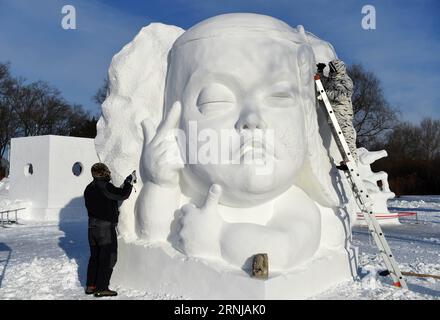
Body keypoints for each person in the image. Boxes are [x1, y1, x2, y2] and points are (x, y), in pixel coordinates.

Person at [84, 163, 135, 297]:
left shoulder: (89, 188)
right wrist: (128, 182)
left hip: (91, 227)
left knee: (95, 257)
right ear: (103, 173)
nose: (109, 173)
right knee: (108, 257)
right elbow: (122, 195)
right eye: (107, 171)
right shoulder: (104, 186)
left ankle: (91, 285)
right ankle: (101, 288)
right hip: (104, 228)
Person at [317, 59, 357, 171]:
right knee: (339, 139)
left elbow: (344, 95)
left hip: (343, 113)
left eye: (333, 69)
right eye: (330, 69)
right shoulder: (332, 79)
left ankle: (352, 162)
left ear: (339, 70)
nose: (331, 71)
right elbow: (324, 83)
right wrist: (320, 71)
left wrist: (326, 94)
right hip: (334, 113)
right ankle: (346, 160)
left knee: (347, 137)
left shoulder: (345, 80)